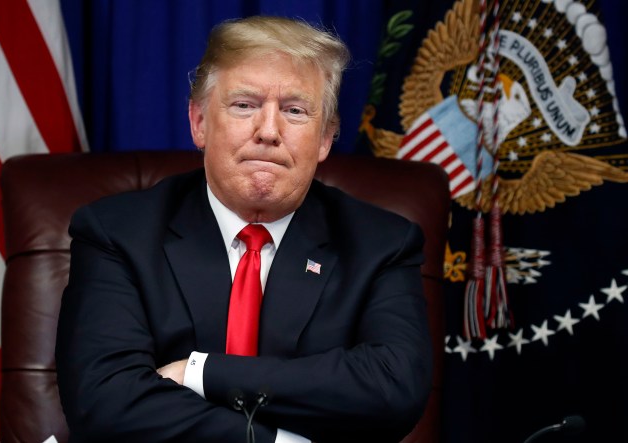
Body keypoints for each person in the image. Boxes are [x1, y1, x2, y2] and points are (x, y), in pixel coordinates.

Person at [55, 15, 432, 443]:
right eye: (244, 105)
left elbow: (393, 388)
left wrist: (201, 372)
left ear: (326, 137)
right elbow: (104, 402)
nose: (268, 131)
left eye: (294, 110)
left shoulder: (381, 244)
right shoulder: (117, 233)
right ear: (199, 122)